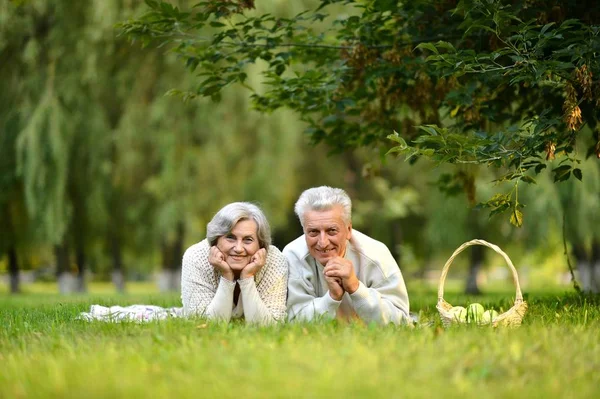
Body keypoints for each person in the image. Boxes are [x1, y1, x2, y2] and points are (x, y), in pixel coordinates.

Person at [284, 186, 410, 325]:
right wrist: (332, 298)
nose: (323, 242)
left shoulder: (376, 254)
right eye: (313, 232)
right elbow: (293, 321)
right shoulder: (293, 256)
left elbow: (401, 321)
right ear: (304, 231)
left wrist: (355, 288)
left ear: (348, 230)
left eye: (331, 231)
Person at [181, 202, 288, 325]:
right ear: (216, 240)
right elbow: (206, 324)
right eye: (230, 237)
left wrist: (247, 278)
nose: (238, 248)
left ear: (261, 245)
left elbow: (270, 326)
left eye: (248, 240)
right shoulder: (196, 257)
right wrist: (227, 276)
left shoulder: (274, 260)